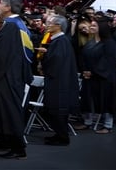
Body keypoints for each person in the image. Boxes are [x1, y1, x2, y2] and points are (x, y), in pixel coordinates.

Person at [0, 0, 33, 159]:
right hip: (8, 74)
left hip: (8, 76)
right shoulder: (16, 24)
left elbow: (1, 53)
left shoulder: (12, 26)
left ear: (8, 7)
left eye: (0, 4)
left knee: (9, 110)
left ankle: (18, 148)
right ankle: (3, 140)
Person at [38, 14, 80, 145]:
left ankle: (62, 137)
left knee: (58, 110)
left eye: (50, 23)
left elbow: (55, 61)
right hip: (57, 80)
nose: (47, 25)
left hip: (59, 82)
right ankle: (58, 134)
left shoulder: (61, 41)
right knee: (54, 110)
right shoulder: (58, 41)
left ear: (58, 26)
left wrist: (45, 56)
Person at [76, 17, 116, 133]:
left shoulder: (109, 43)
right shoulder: (90, 42)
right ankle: (87, 122)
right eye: (91, 25)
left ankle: (107, 125)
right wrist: (85, 70)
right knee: (87, 99)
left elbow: (108, 62)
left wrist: (93, 72)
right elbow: (84, 57)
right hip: (90, 76)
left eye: (94, 26)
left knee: (106, 100)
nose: (91, 27)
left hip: (105, 77)